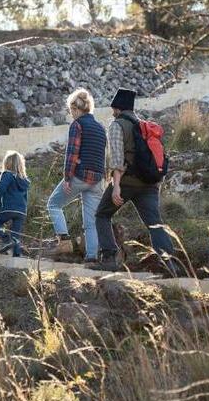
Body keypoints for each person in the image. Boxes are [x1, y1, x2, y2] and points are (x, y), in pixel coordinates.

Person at [92, 88, 175, 271]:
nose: (112, 112)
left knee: (102, 214)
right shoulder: (145, 126)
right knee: (154, 223)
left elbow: (117, 160)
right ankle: (170, 264)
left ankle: (109, 258)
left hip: (127, 182)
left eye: (113, 108)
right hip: (150, 183)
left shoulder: (117, 125)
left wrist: (116, 186)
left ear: (117, 108)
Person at [45, 88, 106, 262]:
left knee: (54, 204)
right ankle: (92, 256)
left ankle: (63, 240)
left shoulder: (77, 125)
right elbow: (101, 154)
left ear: (76, 109)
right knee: (91, 222)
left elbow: (72, 153)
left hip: (80, 176)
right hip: (97, 179)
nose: (71, 115)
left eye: (71, 111)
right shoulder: (101, 128)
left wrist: (67, 178)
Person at [0, 151, 30, 257]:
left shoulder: (7, 174)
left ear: (7, 163)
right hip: (21, 210)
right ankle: (16, 255)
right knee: (16, 234)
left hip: (8, 207)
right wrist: (24, 210)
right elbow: (25, 197)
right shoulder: (24, 180)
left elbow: (1, 188)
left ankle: (6, 239)